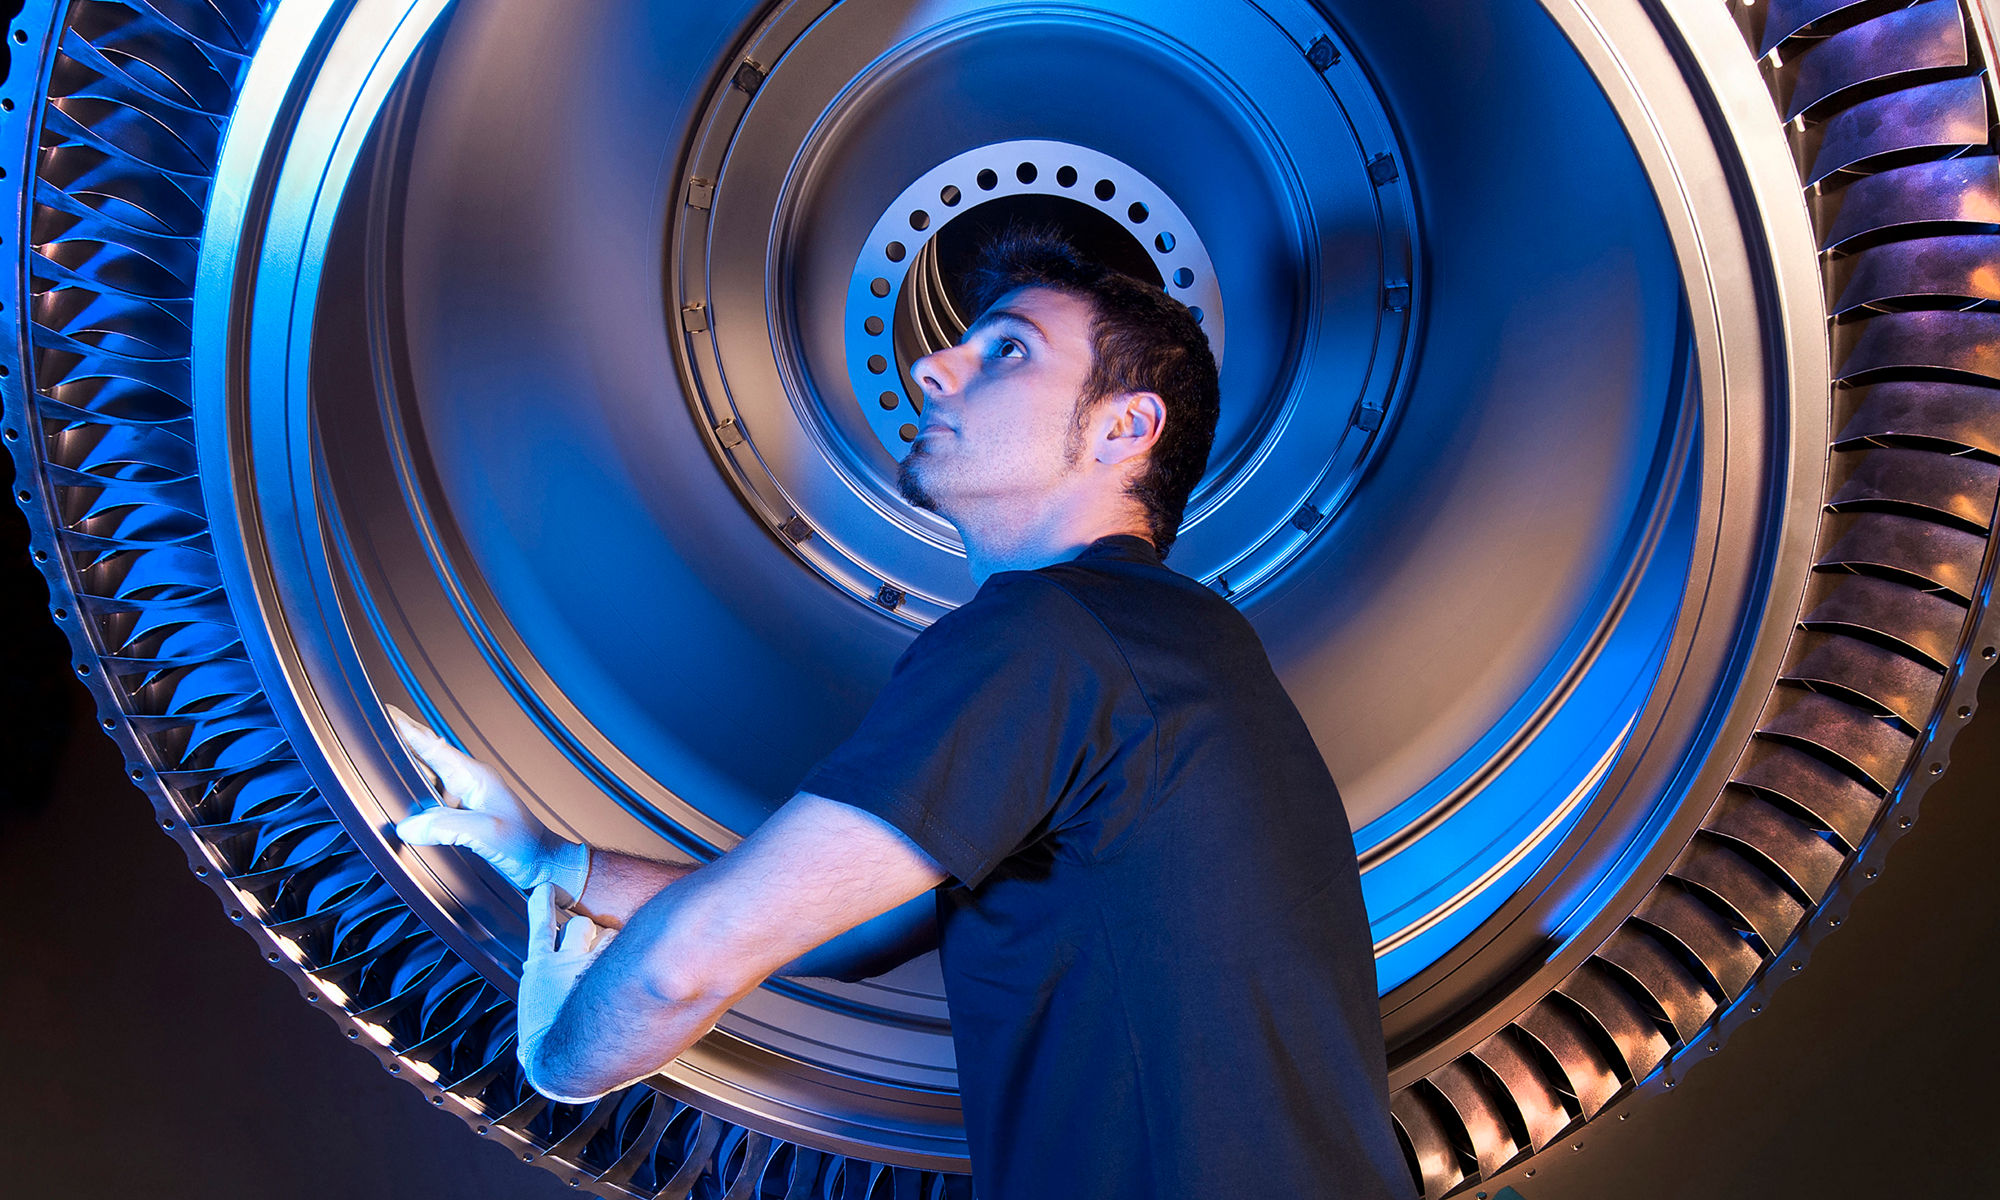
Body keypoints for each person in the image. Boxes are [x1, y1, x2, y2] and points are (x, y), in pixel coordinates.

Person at [392, 229, 1409, 1200]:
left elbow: (681, 970)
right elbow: (836, 921)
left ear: (1123, 427)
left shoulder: (1051, 630)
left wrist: (555, 1059)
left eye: (1006, 350)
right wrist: (552, 866)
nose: (931, 368)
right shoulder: (1171, 653)